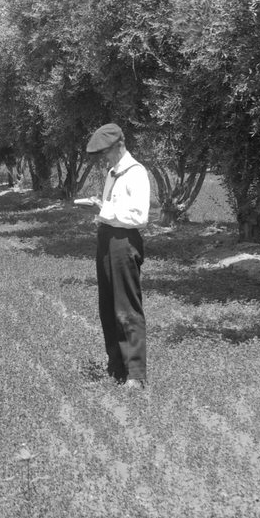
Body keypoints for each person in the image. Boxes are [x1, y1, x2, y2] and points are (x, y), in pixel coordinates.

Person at [79, 123, 150, 389]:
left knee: (127, 307)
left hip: (124, 243)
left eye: (106, 152)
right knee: (108, 306)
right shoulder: (113, 173)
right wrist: (101, 210)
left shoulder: (136, 173)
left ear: (119, 145)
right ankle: (116, 366)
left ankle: (136, 374)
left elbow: (139, 217)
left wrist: (105, 210)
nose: (104, 157)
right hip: (106, 240)